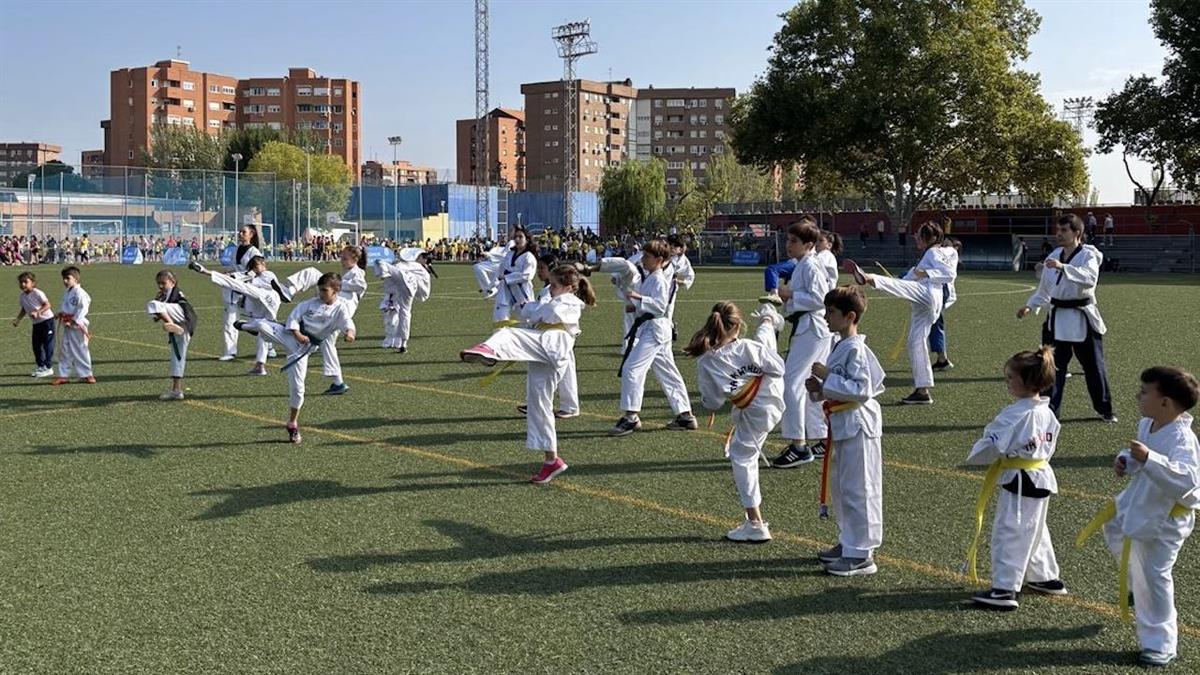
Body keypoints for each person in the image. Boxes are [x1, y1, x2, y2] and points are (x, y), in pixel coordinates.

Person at [1082, 367, 1198, 667]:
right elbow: (1139, 455)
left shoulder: (1183, 439)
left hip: (1167, 519)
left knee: (1155, 575)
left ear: (1166, 402)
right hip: (1141, 502)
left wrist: (1150, 459)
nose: (1139, 395)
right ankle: (1135, 584)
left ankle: (1160, 643)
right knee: (1115, 527)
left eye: (1145, 391)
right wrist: (1127, 460)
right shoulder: (1149, 424)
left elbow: (1188, 481)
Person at [459, 264, 596, 484]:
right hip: (543, 348)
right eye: (550, 285)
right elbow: (528, 312)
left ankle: (490, 351)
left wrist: (536, 307)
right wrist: (535, 307)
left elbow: (548, 314)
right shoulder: (551, 297)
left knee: (508, 334)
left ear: (569, 286)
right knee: (538, 404)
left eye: (554, 285)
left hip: (554, 344)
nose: (549, 289)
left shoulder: (572, 301)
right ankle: (551, 460)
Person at [964, 347, 1065, 609]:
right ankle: (1044, 576)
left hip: (1020, 480)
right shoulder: (1047, 412)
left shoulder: (1016, 415)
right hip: (1041, 476)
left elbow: (992, 446)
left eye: (1011, 378)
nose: (1007, 382)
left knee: (1010, 532)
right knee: (1034, 528)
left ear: (1029, 381)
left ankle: (1005, 589)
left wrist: (975, 456)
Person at [688, 301, 786, 543]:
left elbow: (712, 403)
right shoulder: (747, 347)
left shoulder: (706, 361)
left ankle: (755, 523)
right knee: (762, 343)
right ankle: (767, 319)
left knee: (742, 457)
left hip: (757, 409)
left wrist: (736, 383)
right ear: (738, 325)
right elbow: (778, 367)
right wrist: (751, 375)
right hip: (771, 397)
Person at [804, 286, 885, 576]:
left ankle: (862, 553)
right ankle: (847, 541)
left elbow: (862, 390)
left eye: (831, 312)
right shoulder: (841, 344)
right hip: (842, 424)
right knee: (842, 488)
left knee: (860, 489)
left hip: (858, 425)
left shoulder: (856, 349)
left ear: (849, 316)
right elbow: (840, 387)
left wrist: (827, 377)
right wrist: (819, 389)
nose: (826, 316)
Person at [843, 221, 956, 405]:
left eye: (921, 235)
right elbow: (911, 277)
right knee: (915, 343)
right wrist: (907, 277)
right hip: (926, 301)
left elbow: (949, 274)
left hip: (928, 294)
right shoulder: (934, 254)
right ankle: (922, 391)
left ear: (933, 238)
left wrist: (925, 273)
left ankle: (870, 278)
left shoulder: (935, 252)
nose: (916, 237)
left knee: (900, 287)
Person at [1017, 214, 1115, 422]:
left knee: (1094, 366)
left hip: (1082, 317)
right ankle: (1050, 411)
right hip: (1056, 317)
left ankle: (1104, 408)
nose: (1059, 234)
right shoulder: (1054, 254)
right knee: (1051, 367)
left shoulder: (1089, 255)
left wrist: (1063, 268)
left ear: (1077, 233)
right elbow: (1045, 290)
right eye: (1058, 230)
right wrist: (1030, 305)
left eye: (1064, 231)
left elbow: (1089, 279)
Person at [239, 273, 357, 444]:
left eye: (325, 290)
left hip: (303, 348)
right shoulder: (309, 304)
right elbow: (293, 317)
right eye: (320, 290)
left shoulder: (340, 308)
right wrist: (297, 333)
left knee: (298, 389)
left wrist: (350, 333)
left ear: (336, 290)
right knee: (261, 324)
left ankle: (292, 424)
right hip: (291, 336)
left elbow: (347, 323)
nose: (321, 293)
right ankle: (245, 325)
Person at [609, 239, 697, 436]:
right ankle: (685, 415)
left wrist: (638, 299)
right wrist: (633, 300)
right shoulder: (651, 277)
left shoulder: (658, 279)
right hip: (655, 328)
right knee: (668, 372)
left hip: (656, 329)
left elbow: (658, 306)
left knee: (632, 368)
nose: (643, 260)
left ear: (659, 259)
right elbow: (644, 303)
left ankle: (631, 417)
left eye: (647, 257)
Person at [771, 220, 835, 468]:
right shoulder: (803, 264)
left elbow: (821, 298)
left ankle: (799, 445)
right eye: (787, 240)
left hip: (812, 329)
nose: (788, 245)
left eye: (793, 241)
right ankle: (820, 436)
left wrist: (789, 295)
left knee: (792, 383)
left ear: (809, 244)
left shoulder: (811, 265)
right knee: (810, 384)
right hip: (808, 328)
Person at [280, 246, 368, 394]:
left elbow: (362, 285)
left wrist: (336, 285)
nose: (342, 260)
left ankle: (290, 292)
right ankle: (338, 382)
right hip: (333, 306)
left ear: (355, 259)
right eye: (341, 257)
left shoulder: (357, 272)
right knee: (327, 343)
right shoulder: (349, 272)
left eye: (345, 258)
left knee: (312, 272)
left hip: (339, 308)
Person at [189, 256, 283, 376]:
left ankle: (249, 327)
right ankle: (260, 365)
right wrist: (207, 272)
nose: (256, 268)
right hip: (258, 303)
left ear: (264, 265)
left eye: (257, 265)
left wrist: (285, 296)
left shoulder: (268, 274)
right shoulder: (249, 275)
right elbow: (232, 279)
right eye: (253, 266)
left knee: (240, 286)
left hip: (269, 299)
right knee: (263, 332)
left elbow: (277, 288)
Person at [516, 253, 581, 419]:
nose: (538, 271)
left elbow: (544, 312)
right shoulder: (553, 290)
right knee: (566, 372)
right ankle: (569, 406)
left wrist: (528, 309)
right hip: (559, 336)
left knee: (545, 373)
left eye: (542, 268)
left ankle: (538, 404)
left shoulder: (551, 293)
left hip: (555, 338)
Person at [146, 269, 197, 401]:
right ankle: (177, 390)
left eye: (163, 283)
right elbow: (156, 315)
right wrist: (160, 305)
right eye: (158, 283)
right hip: (181, 326)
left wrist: (161, 308)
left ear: (172, 282)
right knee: (177, 356)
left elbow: (183, 307)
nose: (161, 286)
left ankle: (171, 324)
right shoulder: (164, 295)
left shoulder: (176, 293)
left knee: (152, 304)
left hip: (183, 317)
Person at [375, 247, 434, 354]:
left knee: (380, 262)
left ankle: (399, 341)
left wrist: (385, 276)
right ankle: (403, 343)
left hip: (404, 287)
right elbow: (424, 292)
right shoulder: (419, 269)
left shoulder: (404, 265)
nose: (425, 260)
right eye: (424, 257)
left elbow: (386, 267)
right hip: (408, 291)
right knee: (404, 314)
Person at [219, 225, 264, 362]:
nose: (240, 234)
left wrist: (236, 277)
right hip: (233, 291)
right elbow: (233, 266)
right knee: (229, 321)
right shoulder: (236, 249)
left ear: (251, 234)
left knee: (257, 322)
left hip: (249, 291)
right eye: (240, 231)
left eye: (244, 232)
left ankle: (269, 346)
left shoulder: (254, 252)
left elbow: (255, 272)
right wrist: (228, 272)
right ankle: (230, 351)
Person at [52, 266, 94, 385]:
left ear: (75, 279)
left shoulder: (80, 293)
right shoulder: (68, 292)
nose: (65, 281)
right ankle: (63, 375)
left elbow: (83, 308)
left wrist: (75, 320)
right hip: (66, 324)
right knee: (64, 349)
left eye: (68, 278)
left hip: (77, 325)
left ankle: (87, 374)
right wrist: (60, 313)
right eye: (63, 279)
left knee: (80, 349)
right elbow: (66, 307)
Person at [490, 225, 537, 327]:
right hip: (505, 290)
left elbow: (527, 275)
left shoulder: (529, 257)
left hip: (522, 292)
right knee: (500, 318)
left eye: (520, 237)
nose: (517, 239)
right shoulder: (509, 254)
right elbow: (500, 270)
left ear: (527, 240)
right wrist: (497, 281)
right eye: (515, 237)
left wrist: (507, 277)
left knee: (527, 322)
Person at [12, 272, 55, 378]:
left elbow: (48, 305)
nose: (23, 284)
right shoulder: (22, 296)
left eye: (26, 282)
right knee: (36, 346)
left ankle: (48, 367)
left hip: (47, 322)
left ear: (33, 283)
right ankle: (41, 366)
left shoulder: (38, 293)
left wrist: (38, 312)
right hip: (36, 324)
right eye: (21, 282)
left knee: (47, 345)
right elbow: (24, 309)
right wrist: (18, 319)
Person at [929, 237, 961, 371]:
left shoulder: (948, 257)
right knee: (933, 324)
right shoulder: (944, 256)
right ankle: (942, 358)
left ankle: (942, 359)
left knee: (935, 324)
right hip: (940, 293)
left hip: (942, 293)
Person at [666, 234, 695, 341]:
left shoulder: (683, 261)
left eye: (675, 246)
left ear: (680, 248)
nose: (671, 248)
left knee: (667, 313)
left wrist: (680, 282)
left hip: (670, 291)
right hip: (655, 288)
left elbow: (690, 276)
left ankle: (668, 334)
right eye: (669, 245)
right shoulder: (660, 255)